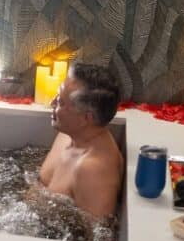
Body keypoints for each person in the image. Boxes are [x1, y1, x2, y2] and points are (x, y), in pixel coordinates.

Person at [33, 63, 124, 220]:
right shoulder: (69, 133)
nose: (52, 103)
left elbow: (97, 238)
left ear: (85, 118)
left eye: (61, 102)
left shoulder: (93, 170)